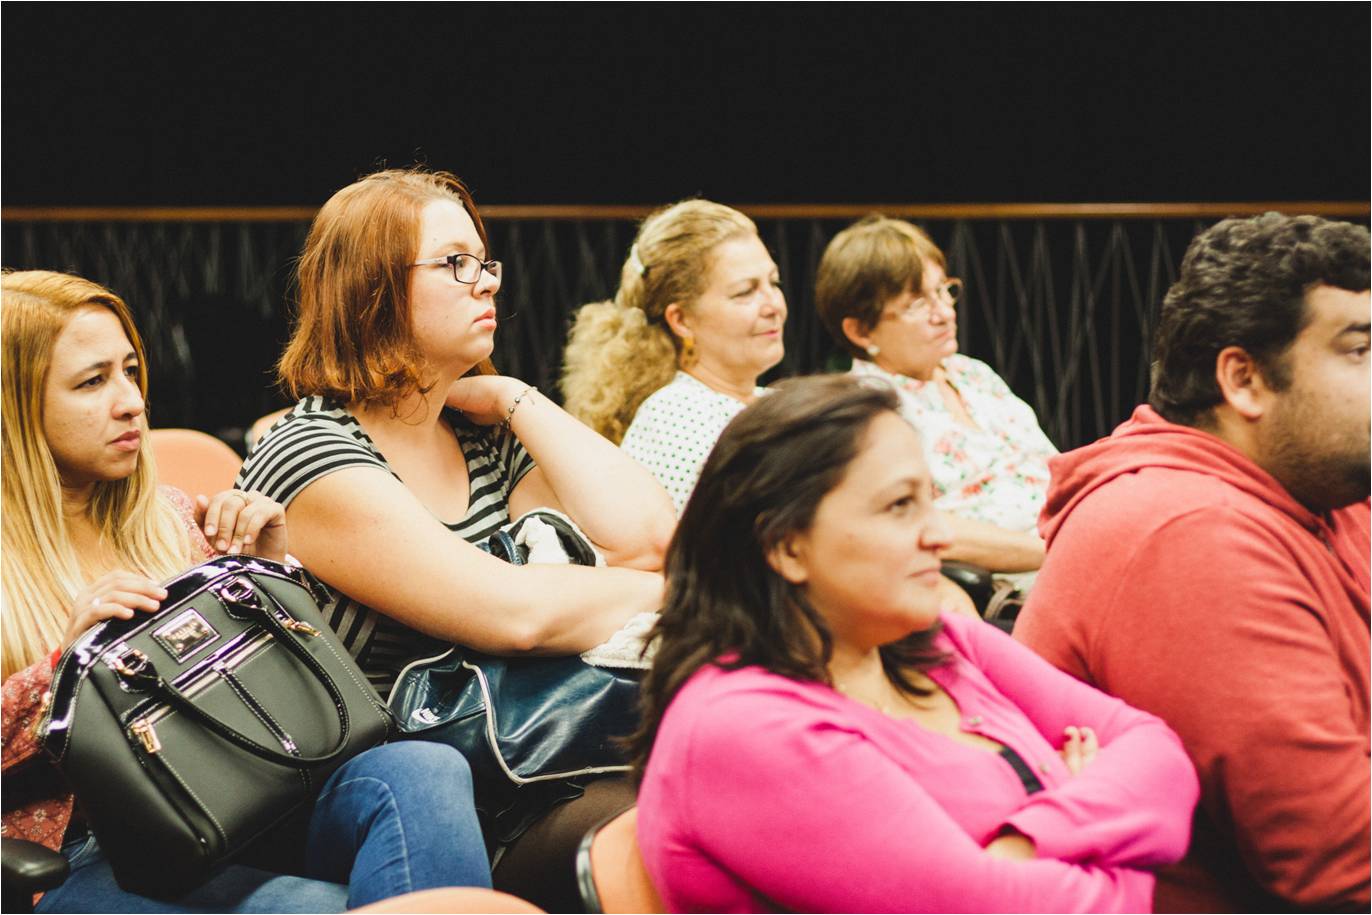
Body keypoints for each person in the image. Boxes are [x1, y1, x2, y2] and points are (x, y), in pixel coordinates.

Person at [235, 167, 674, 910]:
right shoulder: (309, 448)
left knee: (726, 789)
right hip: (406, 802)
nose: (487, 284)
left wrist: (514, 397)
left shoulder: (481, 436)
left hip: (538, 756)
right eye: (454, 264)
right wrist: (683, 594)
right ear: (370, 289)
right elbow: (514, 612)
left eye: (486, 262)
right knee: (662, 835)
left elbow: (646, 540)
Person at [1, 270, 491, 913]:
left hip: (236, 802)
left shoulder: (170, 515)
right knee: (328, 906)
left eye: (128, 371)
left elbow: (287, 702)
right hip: (84, 859)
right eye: (92, 382)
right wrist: (62, 674)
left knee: (426, 770)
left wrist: (268, 579)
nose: (131, 402)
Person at [629, 374, 1198, 913]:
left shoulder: (940, 642)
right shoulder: (742, 727)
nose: (942, 535)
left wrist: (1026, 841)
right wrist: (1115, 836)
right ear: (787, 547)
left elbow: (1160, 754)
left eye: (932, 500)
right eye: (900, 506)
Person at [1014, 213, 1371, 912]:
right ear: (1244, 380)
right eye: (1360, 350)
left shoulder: (1326, 493)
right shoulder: (1193, 532)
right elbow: (1340, 859)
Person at [815, 215, 1056, 578]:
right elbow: (919, 525)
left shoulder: (972, 373)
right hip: (1010, 578)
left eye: (944, 290)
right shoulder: (866, 412)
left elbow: (1051, 466)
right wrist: (1057, 552)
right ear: (862, 331)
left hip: (1069, 545)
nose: (944, 312)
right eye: (917, 304)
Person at [561, 200, 786, 515]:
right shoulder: (677, 417)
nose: (773, 304)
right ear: (681, 320)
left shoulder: (765, 401)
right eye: (745, 292)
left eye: (773, 283)